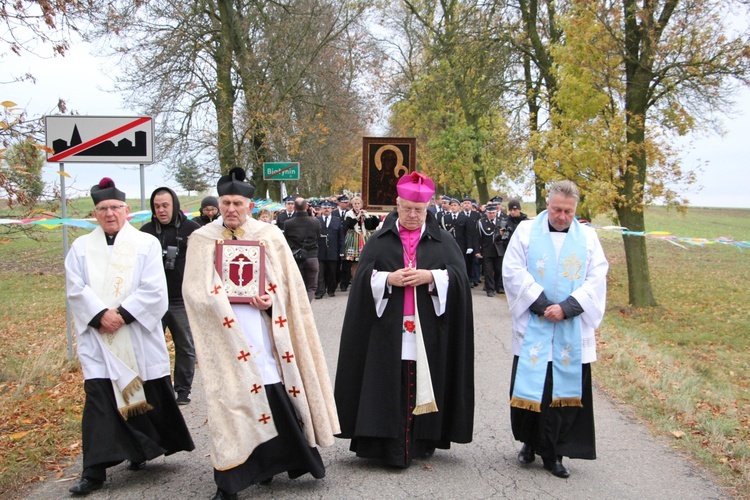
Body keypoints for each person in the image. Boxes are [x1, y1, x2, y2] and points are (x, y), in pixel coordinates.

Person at [182, 168, 339, 500]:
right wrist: (218, 299)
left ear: (249, 205)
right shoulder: (203, 239)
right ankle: (231, 481)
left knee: (269, 387)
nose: (230, 209)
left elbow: (290, 288)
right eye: (225, 203)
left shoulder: (269, 235)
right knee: (230, 398)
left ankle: (272, 462)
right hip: (224, 334)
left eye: (237, 203)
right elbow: (193, 291)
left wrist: (272, 300)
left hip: (262, 329)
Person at [335, 171, 474, 469]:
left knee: (424, 379)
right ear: (396, 205)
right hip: (386, 331)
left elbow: (459, 280)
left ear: (428, 209)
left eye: (419, 210)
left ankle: (423, 441)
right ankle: (382, 442)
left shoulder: (443, 241)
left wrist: (432, 277)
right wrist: (388, 279)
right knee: (388, 383)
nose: (412, 215)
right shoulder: (380, 239)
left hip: (428, 331)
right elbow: (361, 283)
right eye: (407, 208)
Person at [64, 178, 194, 495]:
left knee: (145, 394)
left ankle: (140, 449)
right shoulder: (81, 247)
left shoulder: (145, 244)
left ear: (126, 210)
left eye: (115, 208)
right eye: (102, 209)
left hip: (134, 334)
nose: (109, 214)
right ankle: (93, 472)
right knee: (99, 400)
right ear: (94, 213)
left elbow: (154, 290)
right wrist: (100, 316)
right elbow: (74, 289)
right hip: (99, 340)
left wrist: (121, 315)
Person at [502, 180, 608, 479]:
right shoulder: (525, 231)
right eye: (556, 209)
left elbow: (597, 276)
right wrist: (542, 303)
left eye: (568, 211)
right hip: (536, 322)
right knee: (531, 389)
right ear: (547, 205)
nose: (562, 216)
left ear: (576, 209)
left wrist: (568, 307)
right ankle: (528, 443)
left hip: (570, 328)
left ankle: (556, 452)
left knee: (560, 393)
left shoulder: (587, 237)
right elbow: (512, 270)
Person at [141, 187, 201, 405]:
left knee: (185, 346)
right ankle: (157, 390)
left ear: (174, 204)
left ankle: (183, 390)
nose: (161, 210)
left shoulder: (192, 229)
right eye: (157, 206)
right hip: (152, 300)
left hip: (180, 300)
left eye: (165, 205)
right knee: (150, 346)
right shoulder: (146, 231)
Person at [284, 197, 321, 303]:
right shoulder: (315, 222)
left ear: (294, 207)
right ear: (307, 207)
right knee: (311, 287)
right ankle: (307, 306)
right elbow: (317, 237)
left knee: (297, 285)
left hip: (295, 257)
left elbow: (286, 239)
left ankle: (298, 306)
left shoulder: (288, 223)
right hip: (312, 256)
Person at [341, 195, 379, 291]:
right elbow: (350, 224)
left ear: (361, 204)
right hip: (353, 237)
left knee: (364, 262)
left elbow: (370, 226)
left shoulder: (365, 213)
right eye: (355, 203)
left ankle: (364, 282)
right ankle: (355, 282)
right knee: (354, 263)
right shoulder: (349, 214)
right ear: (352, 204)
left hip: (364, 237)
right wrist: (358, 216)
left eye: (358, 203)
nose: (357, 205)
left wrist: (366, 216)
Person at [315, 199, 345, 299]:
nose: (326, 210)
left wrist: (341, 251)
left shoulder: (336, 220)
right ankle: (320, 291)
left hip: (333, 251)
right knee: (320, 273)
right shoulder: (317, 221)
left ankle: (331, 290)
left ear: (331, 209)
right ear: (321, 209)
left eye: (328, 208)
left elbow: (341, 237)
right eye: (324, 208)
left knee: (332, 272)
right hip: (320, 251)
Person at [475, 203, 506, 297]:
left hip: (499, 250)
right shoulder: (481, 222)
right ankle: (490, 289)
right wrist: (477, 251)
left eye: (493, 213)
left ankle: (497, 286)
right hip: (487, 250)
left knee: (498, 270)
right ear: (486, 213)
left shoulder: (502, 221)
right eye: (489, 213)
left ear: (496, 212)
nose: (492, 215)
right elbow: (477, 237)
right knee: (488, 271)